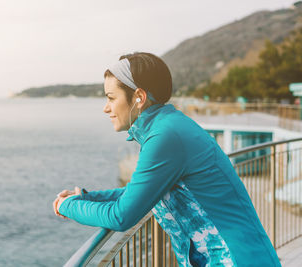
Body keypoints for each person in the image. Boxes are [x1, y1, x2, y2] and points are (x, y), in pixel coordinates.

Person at [53, 52, 280, 266]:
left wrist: (68, 205)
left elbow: (121, 216)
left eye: (111, 98)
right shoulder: (167, 127)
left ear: (139, 97)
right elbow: (141, 193)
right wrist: (87, 198)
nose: (106, 108)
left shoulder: (165, 136)